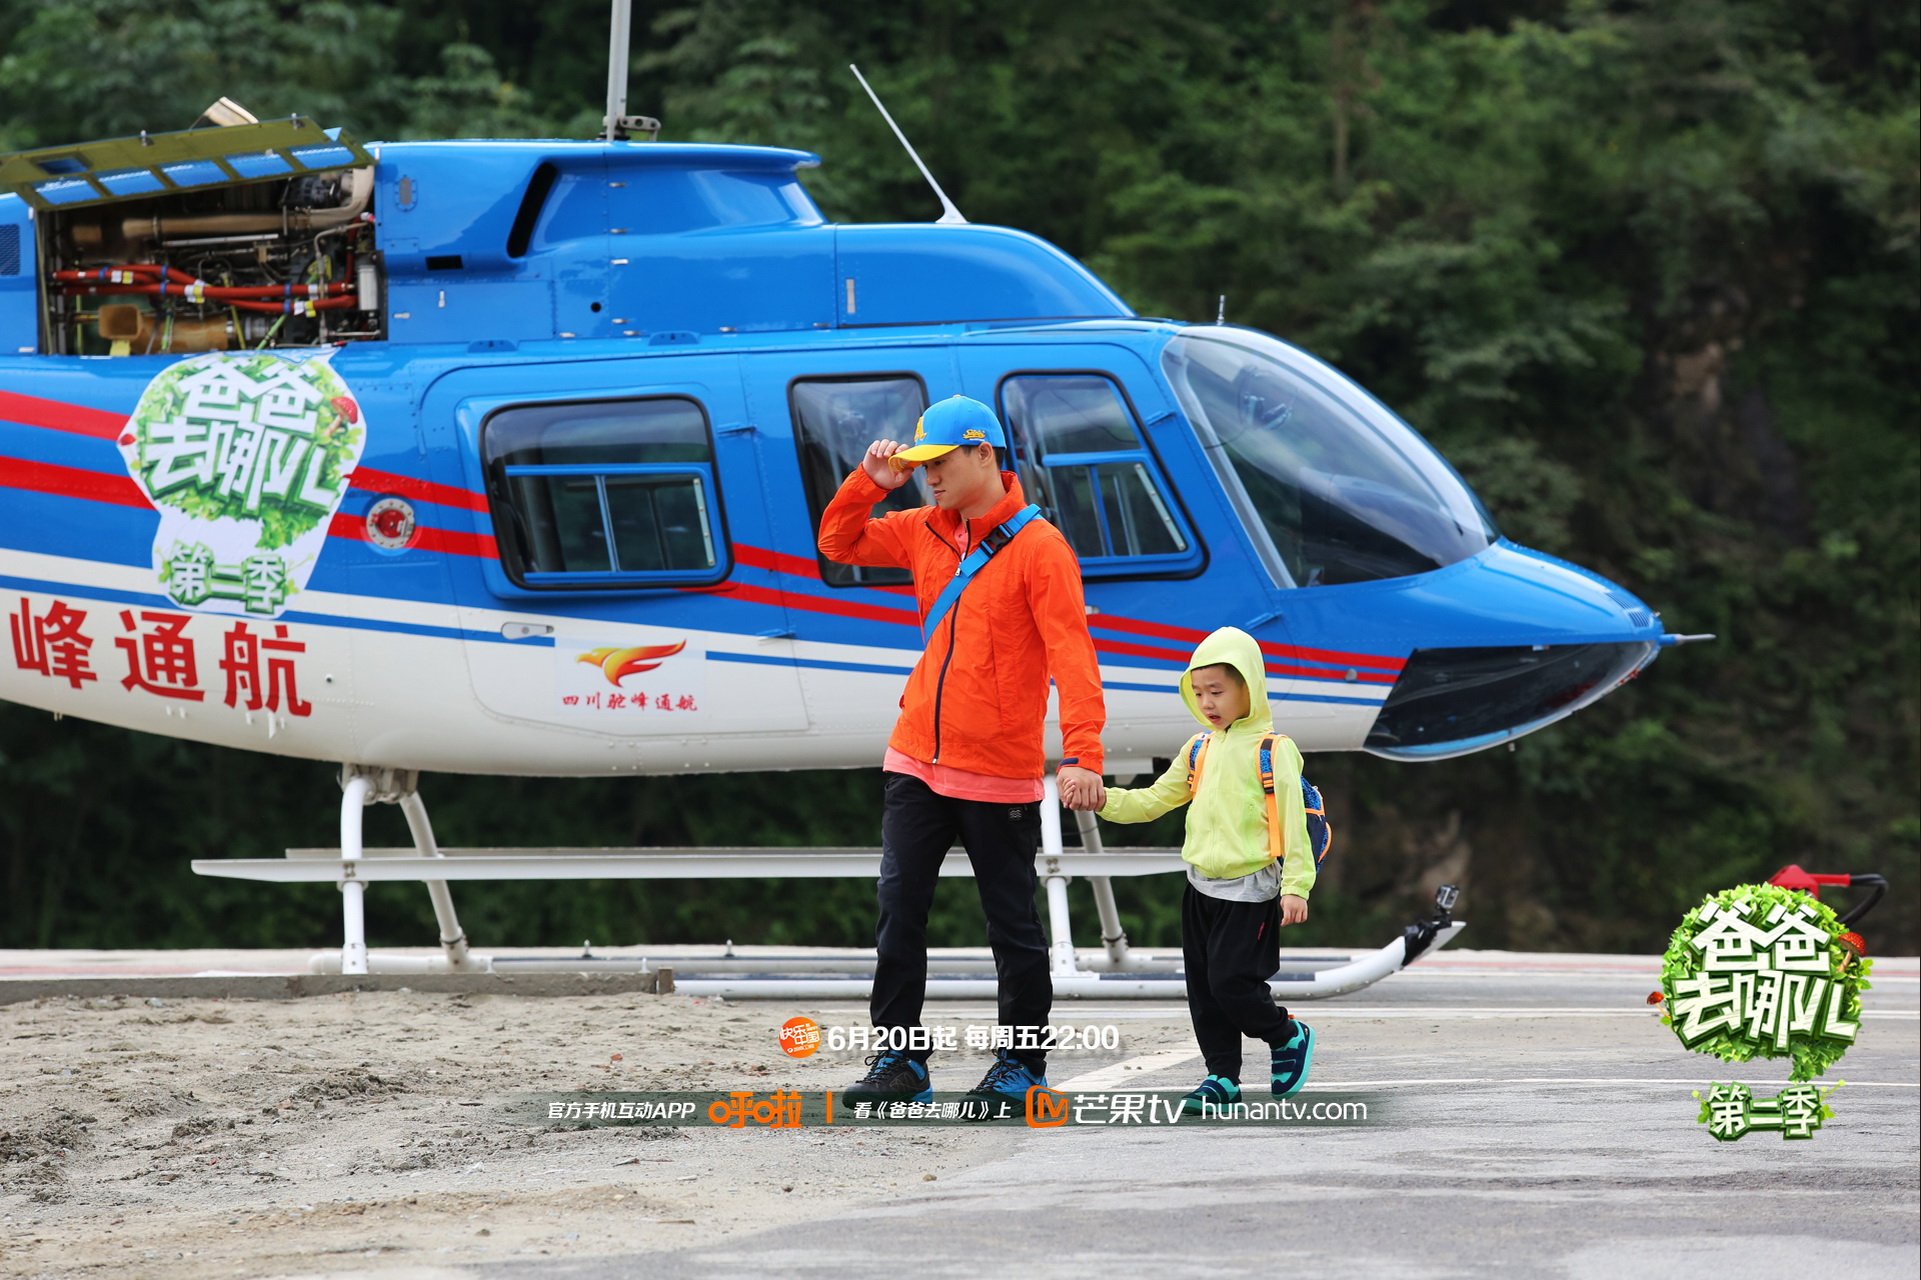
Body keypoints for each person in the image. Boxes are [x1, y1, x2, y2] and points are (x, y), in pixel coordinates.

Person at [817, 394, 1107, 1111]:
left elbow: (1074, 660)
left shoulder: (1042, 550)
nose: (928, 479)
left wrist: (1084, 756)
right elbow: (836, 545)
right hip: (914, 756)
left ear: (985, 454)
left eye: (939, 463)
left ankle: (1020, 1066)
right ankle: (900, 1060)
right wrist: (867, 486)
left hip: (999, 772)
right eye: (920, 466)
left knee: (1011, 926)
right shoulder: (919, 528)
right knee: (898, 908)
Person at [1096, 625, 1316, 1111]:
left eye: (1217, 691)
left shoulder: (1274, 750)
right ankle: (1222, 1078)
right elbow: (1153, 801)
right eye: (1198, 693)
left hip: (1251, 889)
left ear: (1248, 688)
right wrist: (1102, 800)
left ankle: (1286, 1034)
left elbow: (1293, 823)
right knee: (1204, 989)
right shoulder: (1199, 748)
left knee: (1231, 983)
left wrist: (1296, 886)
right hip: (1199, 887)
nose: (1207, 702)